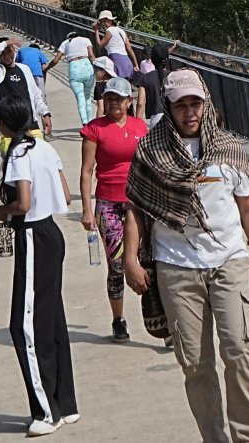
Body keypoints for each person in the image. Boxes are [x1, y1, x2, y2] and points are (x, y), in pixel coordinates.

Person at [124, 69, 249, 443]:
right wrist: (130, 258)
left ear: (205, 104)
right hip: (177, 267)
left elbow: (248, 209)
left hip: (229, 261)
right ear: (168, 107)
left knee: (239, 352)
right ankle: (214, 438)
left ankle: (248, 438)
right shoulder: (151, 151)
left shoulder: (228, 147)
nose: (190, 112)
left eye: (195, 104)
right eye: (181, 106)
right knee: (196, 364)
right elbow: (136, 208)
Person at [0, 93, 79, 436]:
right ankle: (66, 403)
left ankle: (46, 411)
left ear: (7, 122)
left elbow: (24, 202)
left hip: (31, 235)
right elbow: (66, 194)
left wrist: (4, 210)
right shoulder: (44, 147)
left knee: (24, 326)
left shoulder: (19, 152)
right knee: (53, 318)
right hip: (52, 234)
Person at [79, 76, 148, 341]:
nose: (113, 103)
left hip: (139, 202)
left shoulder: (140, 127)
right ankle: (118, 319)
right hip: (109, 202)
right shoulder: (94, 129)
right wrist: (87, 209)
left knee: (147, 259)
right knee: (117, 264)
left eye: (118, 99)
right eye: (109, 98)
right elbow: (87, 171)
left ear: (129, 101)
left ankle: (158, 314)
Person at [15, 42, 60, 136]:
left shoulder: (21, 51)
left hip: (24, 75)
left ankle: (28, 128)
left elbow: (17, 64)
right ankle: (46, 130)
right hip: (37, 76)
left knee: (28, 99)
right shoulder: (38, 51)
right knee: (42, 101)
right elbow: (44, 67)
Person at [58, 29, 99, 125]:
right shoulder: (86, 40)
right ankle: (90, 122)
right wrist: (96, 67)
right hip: (86, 67)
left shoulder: (65, 43)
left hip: (74, 69)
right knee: (88, 97)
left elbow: (56, 59)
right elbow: (91, 55)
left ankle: (84, 122)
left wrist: (47, 68)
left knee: (80, 97)